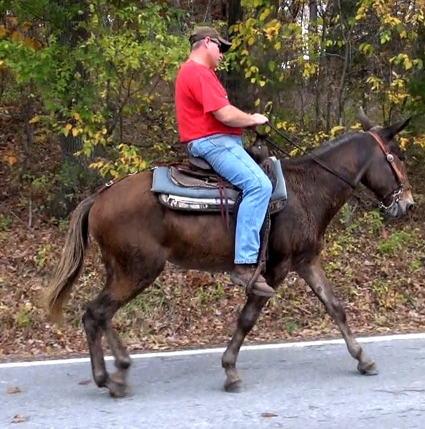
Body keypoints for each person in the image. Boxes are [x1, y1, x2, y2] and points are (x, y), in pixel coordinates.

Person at [174, 26, 275, 298]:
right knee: (259, 186)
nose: (221, 54)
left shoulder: (198, 73)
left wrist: (247, 123)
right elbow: (225, 114)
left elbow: (227, 115)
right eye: (220, 47)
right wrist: (253, 119)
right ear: (206, 42)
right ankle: (244, 264)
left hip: (218, 140)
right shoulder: (197, 72)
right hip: (213, 142)